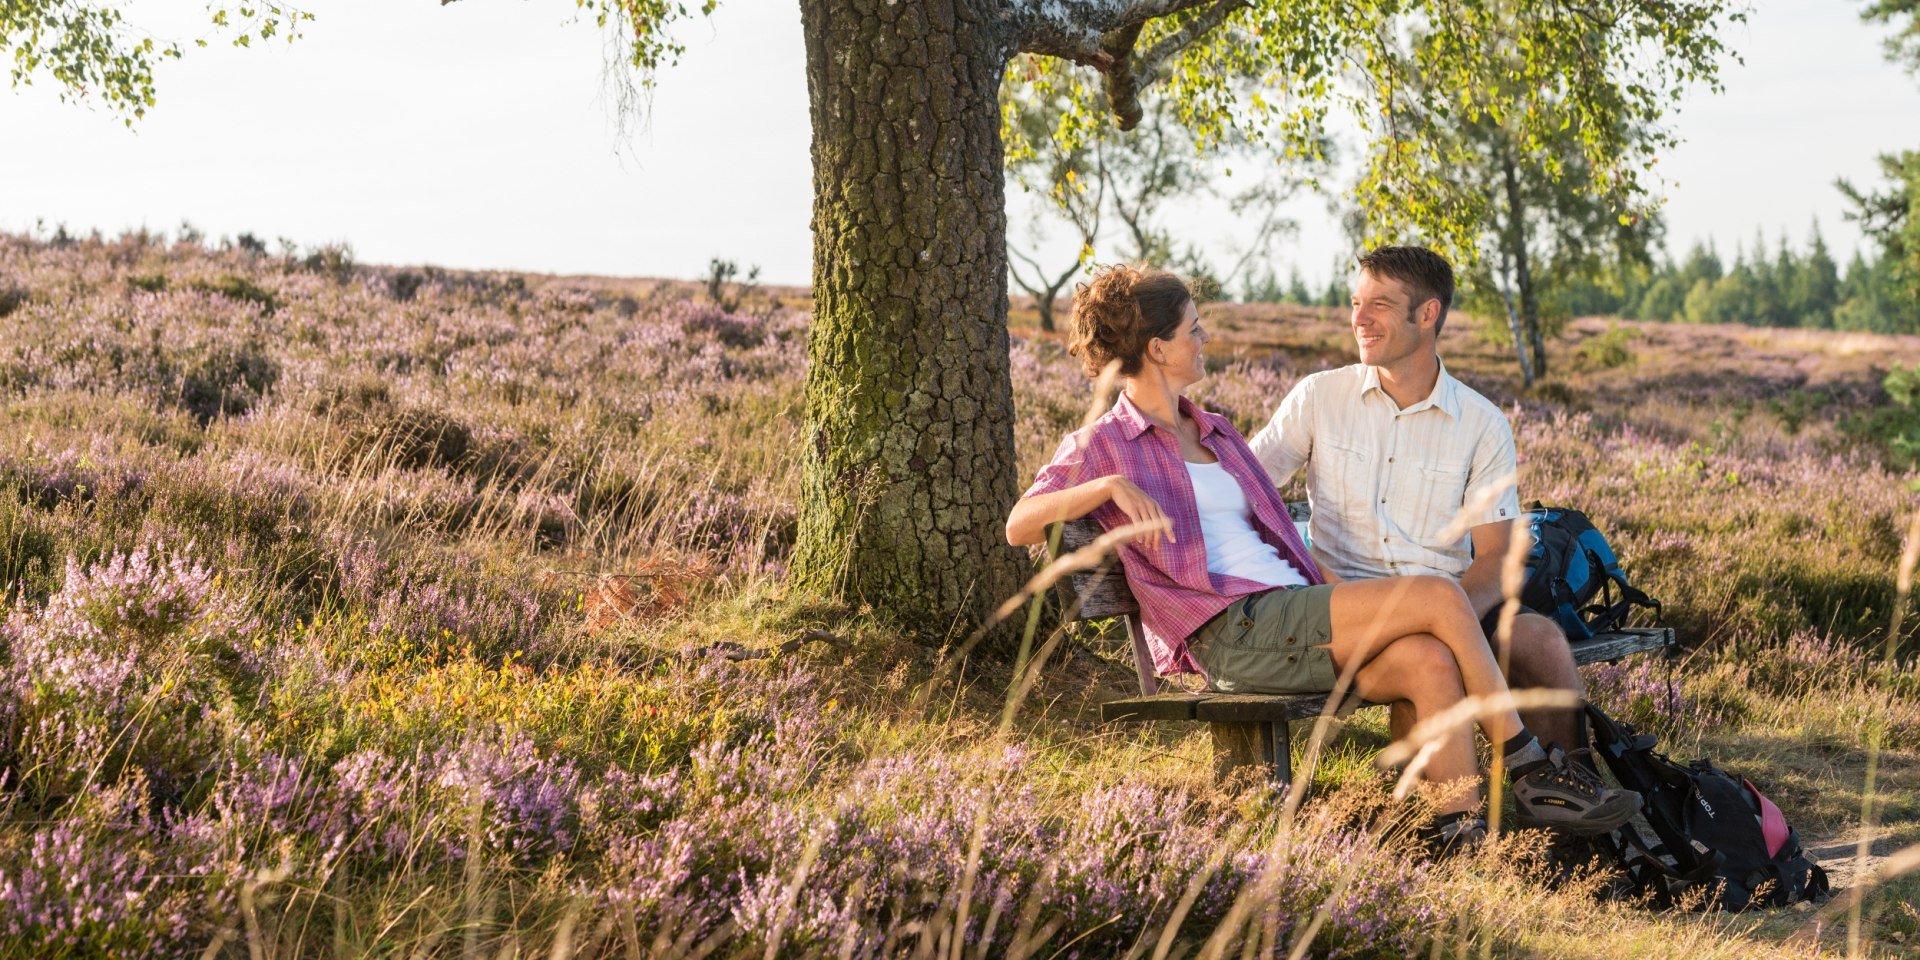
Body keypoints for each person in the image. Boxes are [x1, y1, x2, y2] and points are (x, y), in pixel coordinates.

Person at [1006, 264, 1638, 846]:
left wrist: (1327, 579)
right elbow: (1020, 524)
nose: (1204, 339)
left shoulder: (1216, 431)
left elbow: (1275, 528)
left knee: (1428, 658)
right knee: (1438, 595)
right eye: (1193, 329)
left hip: (1290, 610)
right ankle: (1529, 765)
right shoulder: (1108, 442)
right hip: (1234, 626)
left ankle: (1454, 841)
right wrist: (1105, 486)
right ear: (1157, 349)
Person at [1247, 245, 1590, 766]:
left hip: (1451, 606)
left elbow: (1497, 557)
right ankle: (1436, 823)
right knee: (1433, 657)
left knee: (1541, 642)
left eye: (1379, 305)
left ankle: (1570, 800)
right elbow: (1244, 491)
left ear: (1427, 314)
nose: (1358, 319)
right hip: (1343, 611)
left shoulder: (1481, 423)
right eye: (1356, 302)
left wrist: (1453, 619)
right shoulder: (1318, 397)